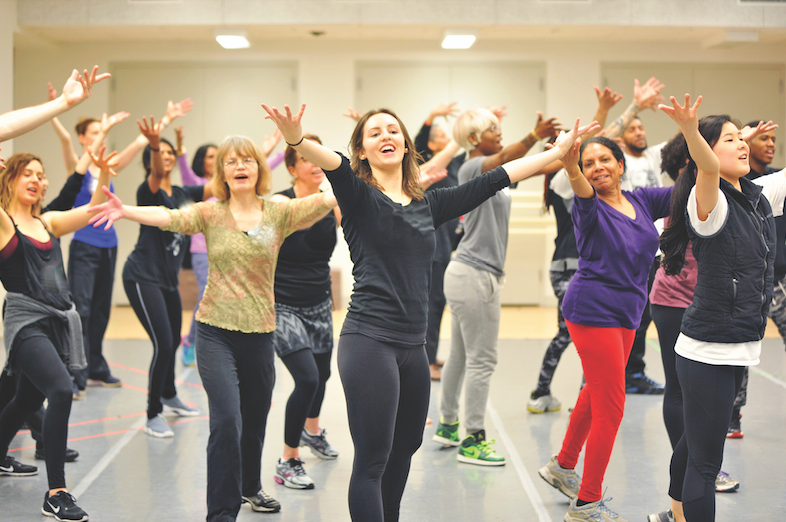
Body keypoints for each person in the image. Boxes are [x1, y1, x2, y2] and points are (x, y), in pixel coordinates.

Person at [262, 101, 597, 522]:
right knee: (373, 459)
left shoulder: (428, 204)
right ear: (362, 151)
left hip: (413, 348)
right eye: (374, 132)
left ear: (405, 145)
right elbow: (334, 164)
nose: (386, 135)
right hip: (368, 343)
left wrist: (556, 154)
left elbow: (499, 177)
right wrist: (295, 139)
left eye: (393, 130)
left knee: (405, 451)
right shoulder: (359, 196)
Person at [87, 132, 338, 521]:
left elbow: (327, 199)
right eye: (231, 161)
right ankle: (221, 513)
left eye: (247, 160)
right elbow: (169, 218)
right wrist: (128, 211)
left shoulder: (279, 212)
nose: (240, 166)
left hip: (260, 332)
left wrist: (377, 176)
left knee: (254, 421)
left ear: (259, 168)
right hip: (215, 332)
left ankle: (250, 488)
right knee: (226, 421)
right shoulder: (210, 212)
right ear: (221, 171)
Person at [649, 97, 786, 522]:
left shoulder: (756, 197)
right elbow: (709, 166)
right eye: (730, 140)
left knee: (692, 443)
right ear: (705, 153)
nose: (744, 145)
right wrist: (692, 131)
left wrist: (734, 139)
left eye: (742, 138)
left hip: (737, 344)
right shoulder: (709, 203)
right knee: (706, 466)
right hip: (709, 348)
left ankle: (673, 513)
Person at [536, 135, 672, 522]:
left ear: (620, 163)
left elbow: (688, 186)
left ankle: (562, 466)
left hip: (627, 313)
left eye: (604, 159)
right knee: (611, 408)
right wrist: (569, 162)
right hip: (592, 310)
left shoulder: (642, 200)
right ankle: (586, 503)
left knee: (595, 394)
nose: (597, 167)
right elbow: (579, 185)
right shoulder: (589, 207)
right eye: (589, 162)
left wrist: (714, 142)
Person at [432, 107, 562, 466]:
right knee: (483, 360)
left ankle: (447, 424)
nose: (499, 132)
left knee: (460, 356)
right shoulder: (473, 167)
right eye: (492, 129)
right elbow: (507, 157)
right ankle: (474, 439)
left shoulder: (494, 173)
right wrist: (535, 136)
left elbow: (535, 167)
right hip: (475, 275)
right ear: (473, 140)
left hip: (467, 274)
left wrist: (565, 153)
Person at [46, 92, 193, 394]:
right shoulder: (78, 164)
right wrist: (56, 109)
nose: (101, 136)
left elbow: (141, 144)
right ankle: (76, 371)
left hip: (109, 245)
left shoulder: (106, 168)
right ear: (82, 138)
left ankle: (97, 367)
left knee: (101, 309)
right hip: (84, 244)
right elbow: (63, 140)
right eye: (95, 133)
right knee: (82, 308)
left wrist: (166, 120)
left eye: (102, 133)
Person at [0, 145, 115, 522]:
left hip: (55, 323)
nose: (37, 179)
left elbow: (94, 208)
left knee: (22, 401)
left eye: (41, 174)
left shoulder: (49, 222)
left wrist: (104, 173)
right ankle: (57, 492)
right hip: (25, 321)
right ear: (11, 180)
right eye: (27, 173)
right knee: (62, 389)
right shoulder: (5, 223)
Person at [528, 85, 624, 413]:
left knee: (580, 333)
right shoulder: (562, 181)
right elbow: (584, 147)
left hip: (583, 266)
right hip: (568, 267)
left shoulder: (580, 181)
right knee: (575, 333)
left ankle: (574, 394)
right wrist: (603, 111)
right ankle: (544, 392)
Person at [121, 116, 208, 438]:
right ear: (153, 160)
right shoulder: (149, 190)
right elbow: (157, 172)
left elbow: (215, 185)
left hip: (167, 280)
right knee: (164, 343)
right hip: (142, 276)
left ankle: (169, 394)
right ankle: (153, 412)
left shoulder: (184, 192)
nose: (168, 157)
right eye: (162, 153)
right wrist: (155, 143)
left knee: (172, 341)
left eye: (172, 152)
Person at [268, 134, 342, 489]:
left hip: (318, 302)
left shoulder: (333, 201)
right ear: (292, 167)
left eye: (319, 157)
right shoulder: (279, 203)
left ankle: (312, 430)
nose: (315, 163)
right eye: (307, 158)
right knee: (307, 378)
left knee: (324, 374)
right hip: (282, 304)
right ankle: (288, 458)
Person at [729, 119, 782, 438]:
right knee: (743, 349)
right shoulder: (736, 182)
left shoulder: (776, 180)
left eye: (774, 138)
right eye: (764, 138)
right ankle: (733, 413)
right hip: (745, 284)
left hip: (778, 280)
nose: (772, 143)